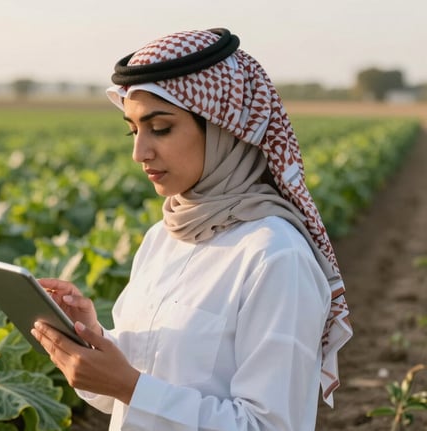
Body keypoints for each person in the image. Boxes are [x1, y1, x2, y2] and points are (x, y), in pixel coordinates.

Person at [30, 28, 352, 430]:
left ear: (223, 130)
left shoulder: (276, 256)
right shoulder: (162, 238)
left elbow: (268, 425)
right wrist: (91, 337)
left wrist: (131, 388)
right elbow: (140, 382)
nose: (139, 152)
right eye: (133, 130)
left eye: (160, 128)